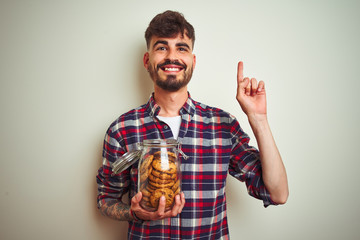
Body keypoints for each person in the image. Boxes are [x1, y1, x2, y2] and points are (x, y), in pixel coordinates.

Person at [96, 10, 288, 239]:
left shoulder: (222, 125)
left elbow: (278, 194)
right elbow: (106, 199)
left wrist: (259, 119)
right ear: (147, 60)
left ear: (192, 61)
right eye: (161, 47)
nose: (172, 56)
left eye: (181, 48)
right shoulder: (122, 130)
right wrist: (135, 213)